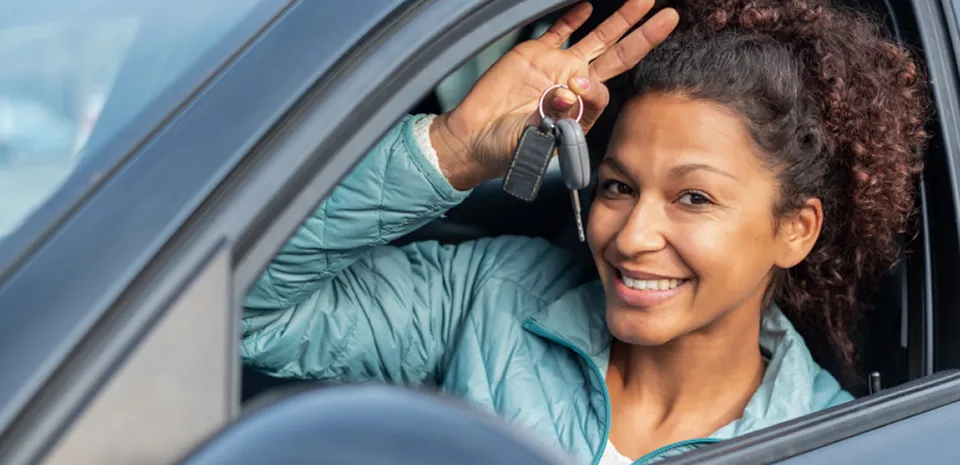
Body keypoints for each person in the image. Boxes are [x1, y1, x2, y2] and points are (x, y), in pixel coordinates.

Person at [241, 0, 929, 463]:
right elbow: (248, 308)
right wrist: (450, 150)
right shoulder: (490, 297)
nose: (632, 237)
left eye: (693, 197)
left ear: (795, 229)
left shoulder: (842, 442)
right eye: (619, 186)